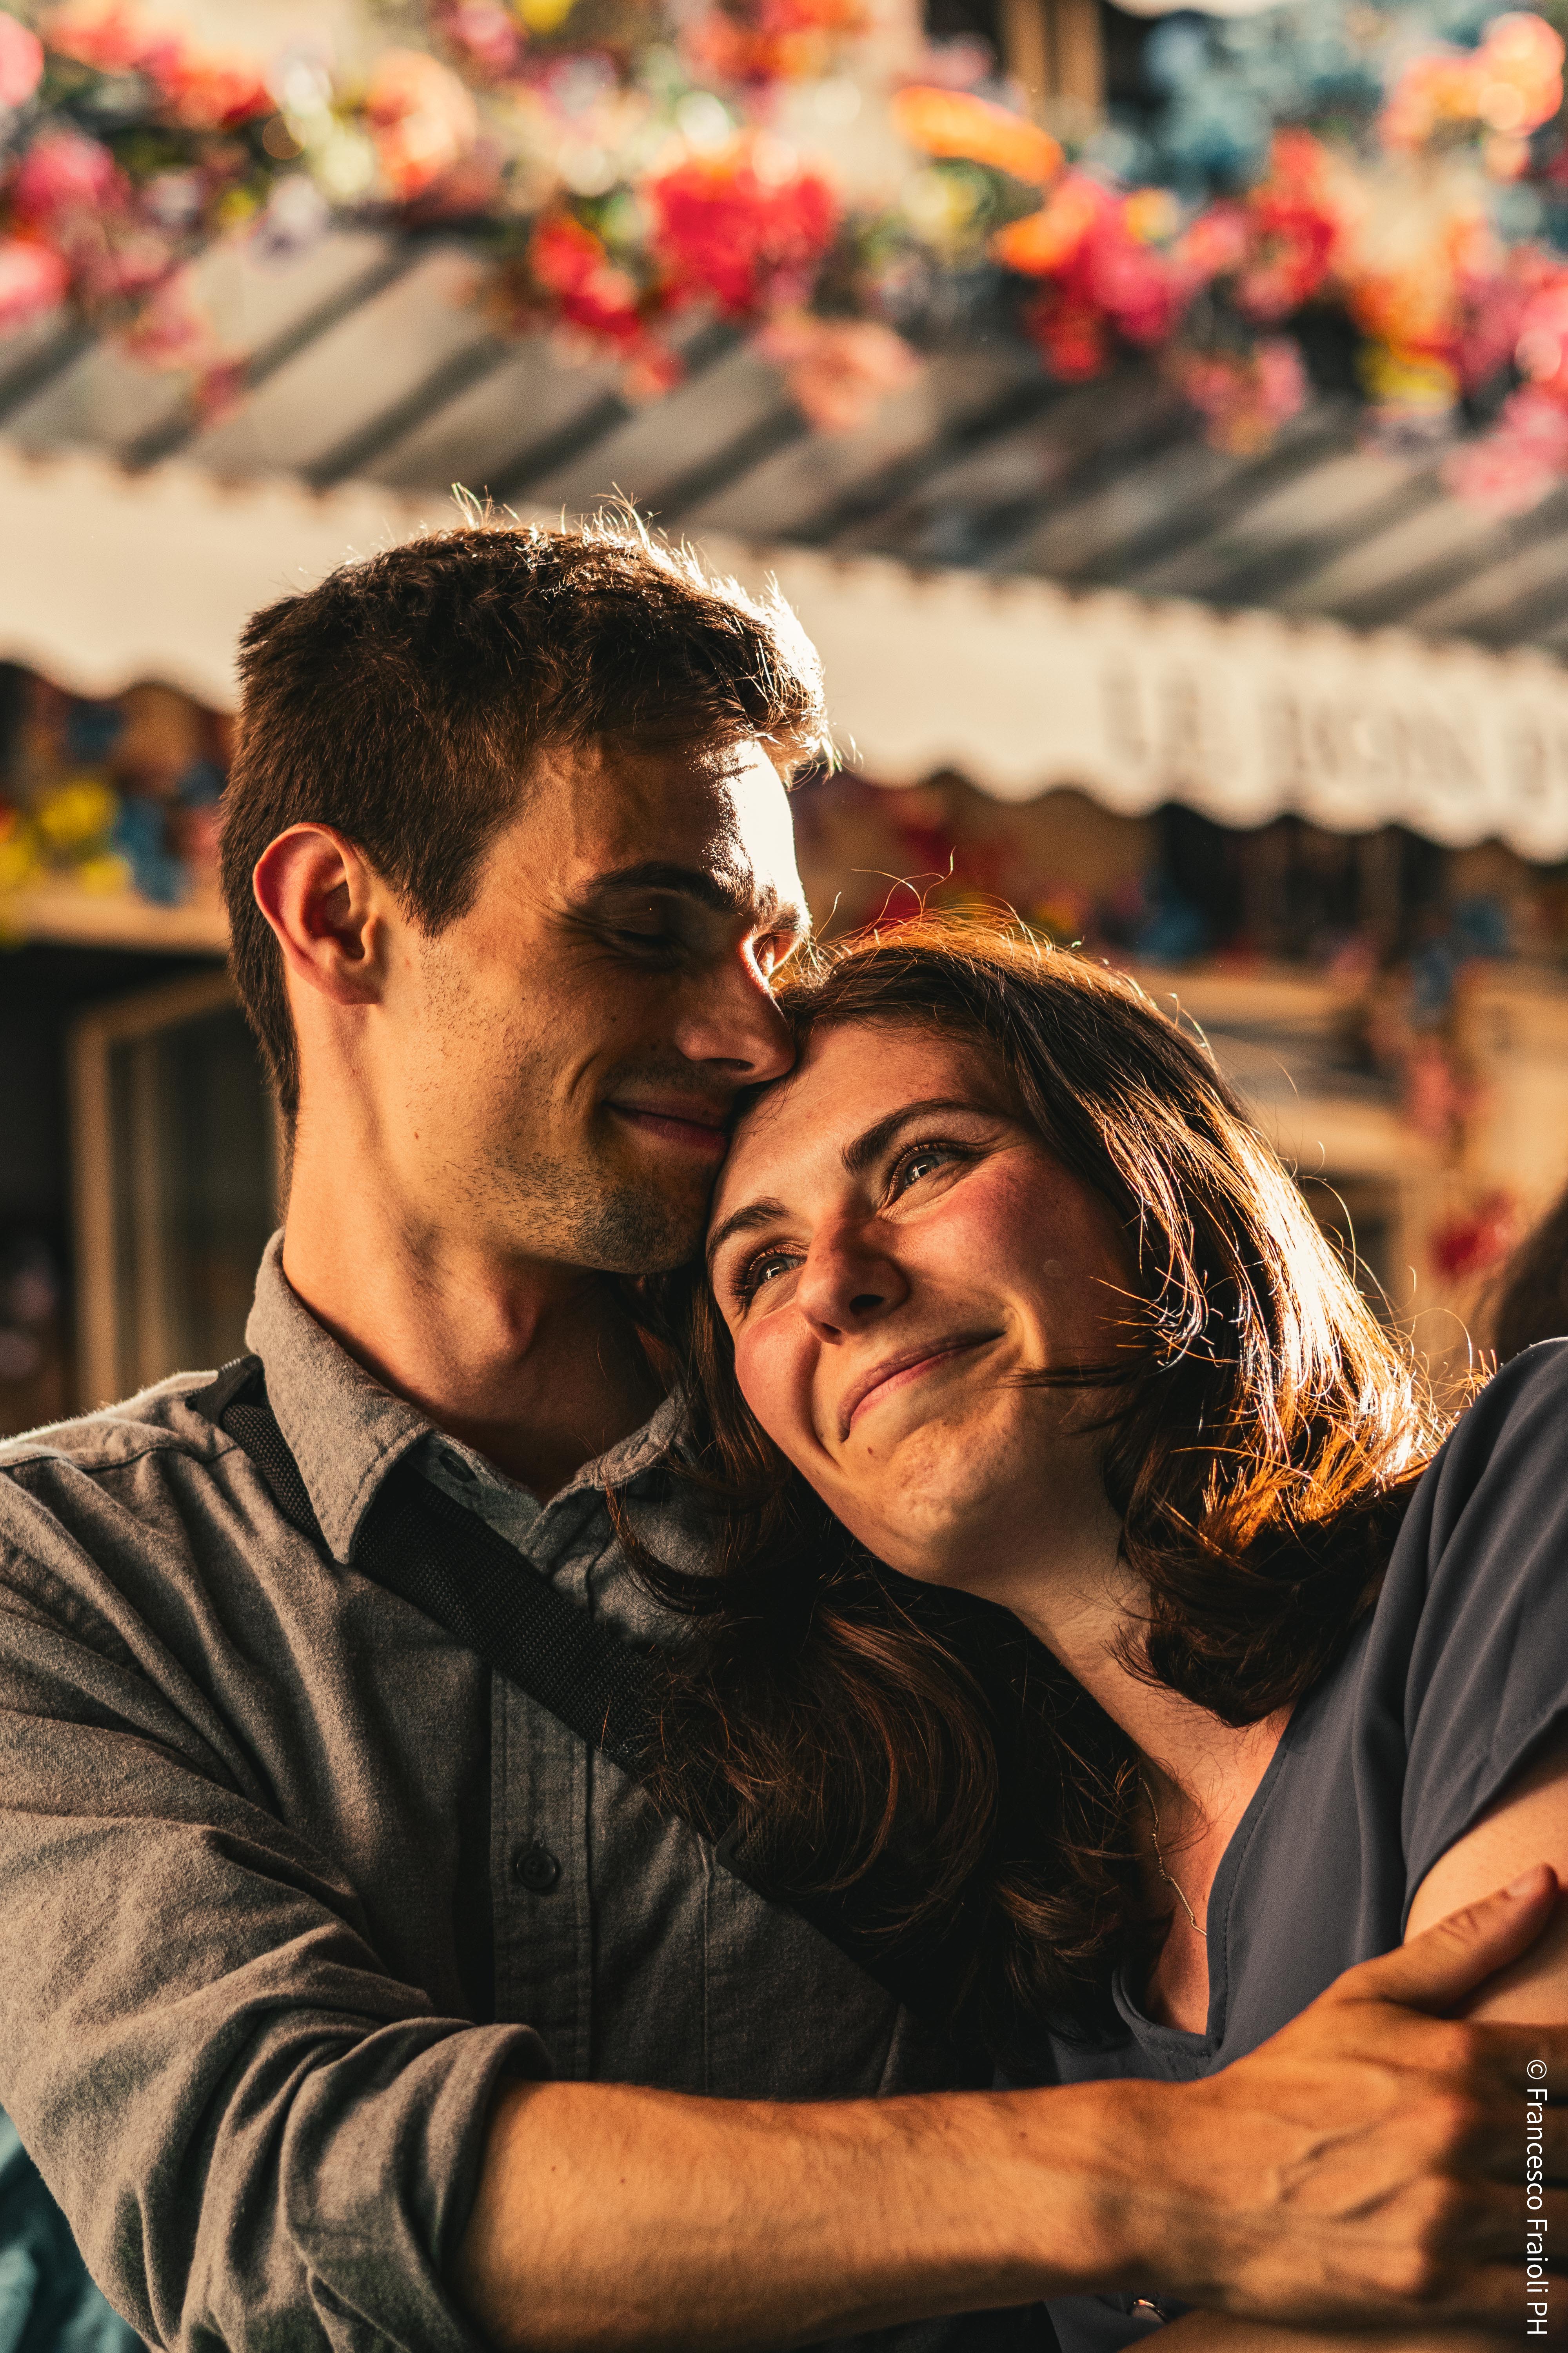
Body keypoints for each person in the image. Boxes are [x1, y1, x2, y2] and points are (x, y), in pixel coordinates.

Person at [0, 524, 1561, 2353]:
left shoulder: (923, 1491)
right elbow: (275, 2196)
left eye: (770, 947)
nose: (749, 1029)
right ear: (339, 915)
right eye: (650, 928)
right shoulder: (72, 1581)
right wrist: (1182, 2173)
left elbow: (1511, 2219)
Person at [677, 910, 1568, 2351]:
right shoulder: (1027, 1983)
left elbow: (1523, 2274)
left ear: (1151, 1180)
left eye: (923, 1163)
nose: (836, 1280)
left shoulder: (1531, 1496)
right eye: (755, 1268)